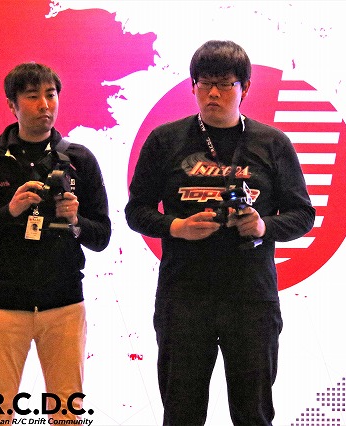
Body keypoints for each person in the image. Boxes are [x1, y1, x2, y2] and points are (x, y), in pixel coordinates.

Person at [125, 40, 315, 425]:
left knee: (253, 413)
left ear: (245, 88)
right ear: (192, 86)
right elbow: (136, 211)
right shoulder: (165, 140)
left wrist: (263, 226)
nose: (213, 93)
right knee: (181, 412)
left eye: (225, 84)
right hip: (184, 294)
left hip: (251, 295)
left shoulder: (272, 143)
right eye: (204, 83)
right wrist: (176, 227)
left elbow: (303, 214)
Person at [0, 62, 111, 424]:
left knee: (66, 416)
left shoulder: (79, 160)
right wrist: (9, 211)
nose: (44, 105)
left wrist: (75, 221)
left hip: (64, 305)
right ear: (12, 105)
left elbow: (102, 236)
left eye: (51, 95)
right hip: (4, 306)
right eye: (32, 96)